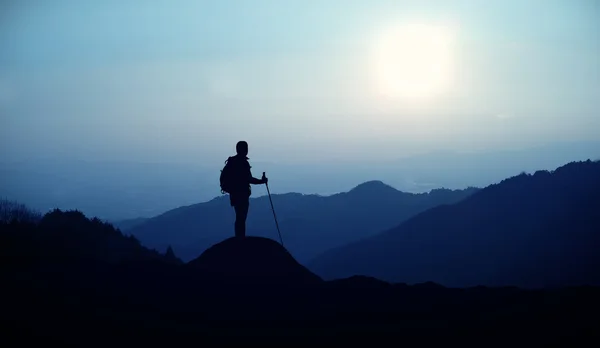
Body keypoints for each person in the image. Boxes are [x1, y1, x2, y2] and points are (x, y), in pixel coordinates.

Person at [225, 141, 268, 238]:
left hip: (234, 194)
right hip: (242, 194)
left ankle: (239, 237)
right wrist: (262, 181)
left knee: (239, 216)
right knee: (242, 217)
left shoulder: (233, 162)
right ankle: (241, 239)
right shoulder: (243, 163)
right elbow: (249, 179)